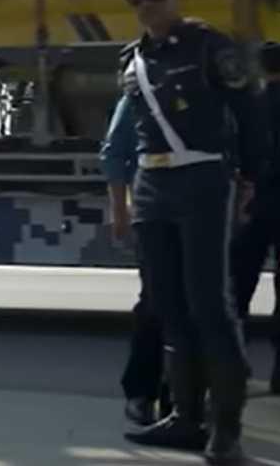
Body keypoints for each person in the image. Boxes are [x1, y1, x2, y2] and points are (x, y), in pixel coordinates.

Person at [116, 0, 265, 463]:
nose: (146, 4)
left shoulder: (209, 46)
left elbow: (250, 113)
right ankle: (184, 417)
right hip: (152, 183)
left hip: (203, 177)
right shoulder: (132, 61)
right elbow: (137, 131)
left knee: (210, 307)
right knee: (167, 306)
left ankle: (226, 433)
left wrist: (249, 178)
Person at [229, 41, 280, 394]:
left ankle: (231, 365)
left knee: (238, 285)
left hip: (254, 204)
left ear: (260, 68)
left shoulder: (250, 104)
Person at [104, 94, 174, 425]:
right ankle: (142, 393)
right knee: (155, 302)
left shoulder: (213, 83)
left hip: (204, 212)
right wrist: (120, 209)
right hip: (155, 211)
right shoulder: (141, 91)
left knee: (201, 307)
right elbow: (116, 153)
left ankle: (182, 398)